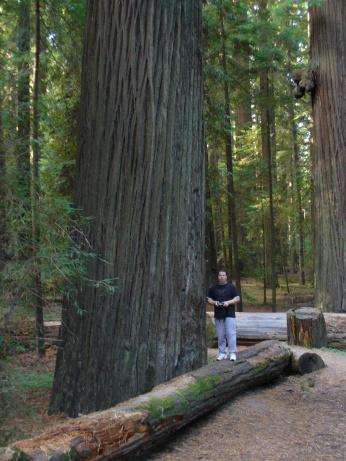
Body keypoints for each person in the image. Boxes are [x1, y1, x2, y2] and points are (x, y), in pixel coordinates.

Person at [207, 269, 240, 361]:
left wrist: (228, 302)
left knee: (231, 334)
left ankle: (232, 353)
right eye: (220, 275)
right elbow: (208, 299)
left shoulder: (231, 287)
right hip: (218, 314)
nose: (221, 277)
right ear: (218, 277)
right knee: (221, 335)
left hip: (229, 313)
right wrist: (214, 302)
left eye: (223, 275)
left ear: (226, 277)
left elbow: (237, 298)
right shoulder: (213, 288)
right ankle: (222, 353)